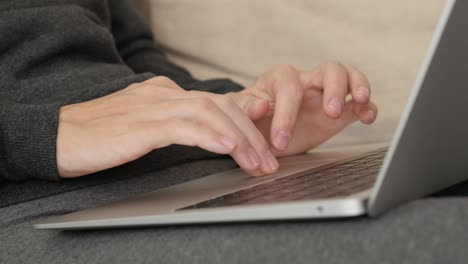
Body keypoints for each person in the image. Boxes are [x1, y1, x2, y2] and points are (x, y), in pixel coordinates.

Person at [0, 0, 377, 182]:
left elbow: (135, 54)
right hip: (39, 199)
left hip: (190, 170)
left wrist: (242, 111)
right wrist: (45, 135)